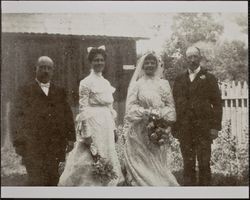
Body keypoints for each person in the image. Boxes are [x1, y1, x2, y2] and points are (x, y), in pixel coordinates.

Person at [58, 46, 124, 186]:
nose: (99, 63)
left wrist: (113, 129)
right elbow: (83, 108)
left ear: (104, 62)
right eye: (96, 60)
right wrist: (86, 132)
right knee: (90, 151)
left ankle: (106, 178)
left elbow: (110, 108)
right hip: (92, 121)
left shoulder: (106, 83)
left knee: (106, 150)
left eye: (101, 60)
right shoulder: (85, 82)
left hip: (106, 123)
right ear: (91, 62)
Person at [11, 56, 76, 186]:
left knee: (53, 179)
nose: (45, 71)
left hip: (55, 145)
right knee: (36, 180)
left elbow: (67, 115)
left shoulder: (59, 91)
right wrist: (18, 143)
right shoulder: (25, 91)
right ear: (36, 69)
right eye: (42, 67)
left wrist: (71, 137)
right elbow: (16, 118)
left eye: (49, 68)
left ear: (52, 71)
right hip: (32, 146)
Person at [123, 52, 179, 186]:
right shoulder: (137, 85)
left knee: (156, 160)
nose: (149, 65)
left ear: (157, 65)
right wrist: (146, 112)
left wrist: (159, 114)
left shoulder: (164, 84)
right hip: (139, 130)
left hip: (158, 127)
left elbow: (171, 108)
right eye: (146, 63)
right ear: (142, 65)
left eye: (152, 62)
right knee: (141, 162)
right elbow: (130, 109)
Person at [172, 46, 223, 186]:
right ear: (186, 59)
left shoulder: (209, 78)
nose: (192, 60)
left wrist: (215, 127)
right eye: (190, 57)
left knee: (204, 163)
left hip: (204, 129)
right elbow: (174, 104)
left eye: (195, 56)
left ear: (200, 58)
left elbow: (217, 104)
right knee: (187, 164)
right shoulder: (179, 79)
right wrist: (175, 127)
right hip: (185, 128)